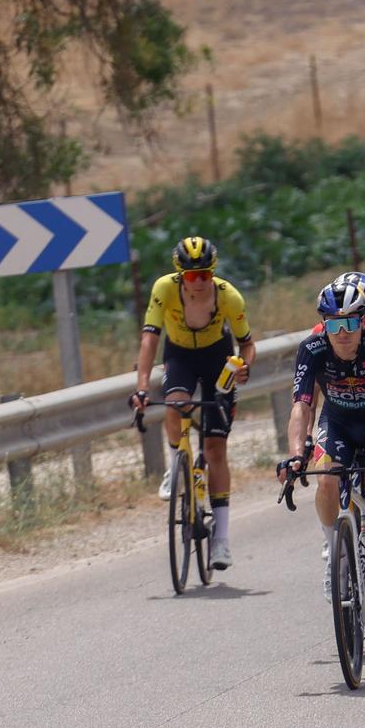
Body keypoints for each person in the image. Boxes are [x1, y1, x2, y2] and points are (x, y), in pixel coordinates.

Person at [280, 272, 365, 637]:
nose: (343, 332)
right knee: (326, 483)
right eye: (334, 324)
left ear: (364, 320)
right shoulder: (312, 347)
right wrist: (294, 456)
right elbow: (302, 407)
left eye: (352, 322)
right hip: (336, 422)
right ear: (324, 323)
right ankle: (334, 551)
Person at [130, 236, 255, 570]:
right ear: (179, 276)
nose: (198, 283)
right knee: (174, 403)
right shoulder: (163, 289)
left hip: (218, 358)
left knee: (216, 450)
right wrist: (142, 387)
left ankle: (222, 541)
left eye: (204, 276)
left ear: (212, 274)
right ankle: (176, 465)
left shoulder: (229, 296)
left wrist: (242, 367)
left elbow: (247, 345)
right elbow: (149, 340)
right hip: (180, 355)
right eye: (190, 276)